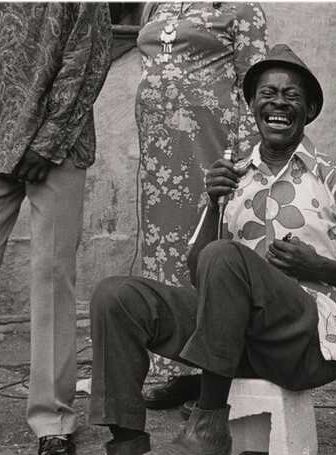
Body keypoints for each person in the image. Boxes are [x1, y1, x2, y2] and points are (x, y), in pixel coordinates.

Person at [47, 44, 336, 455]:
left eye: (292, 95)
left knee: (227, 257)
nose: (278, 102)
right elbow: (200, 269)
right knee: (117, 296)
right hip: (235, 343)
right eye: (267, 93)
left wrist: (320, 268)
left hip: (307, 341)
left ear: (309, 110)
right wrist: (213, 206)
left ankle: (208, 424)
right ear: (252, 107)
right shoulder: (233, 179)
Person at [0, 3, 113, 455]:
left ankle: (53, 420)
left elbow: (86, 65)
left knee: (50, 272)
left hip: (58, 144)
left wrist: (47, 143)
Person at [136, 2, 268, 410]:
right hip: (160, 153)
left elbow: (255, 85)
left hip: (210, 149)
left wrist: (243, 158)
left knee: (206, 248)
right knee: (163, 251)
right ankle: (173, 364)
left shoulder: (241, 8)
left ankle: (209, 368)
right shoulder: (155, 4)